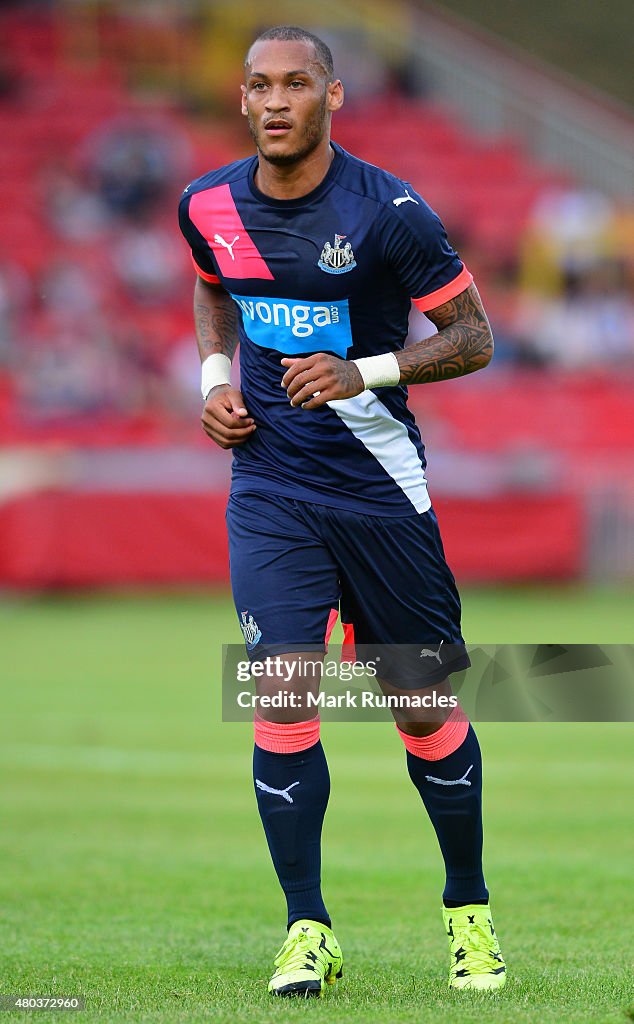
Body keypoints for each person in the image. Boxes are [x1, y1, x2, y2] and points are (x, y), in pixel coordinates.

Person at [178, 25, 506, 997]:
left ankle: (468, 910)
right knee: (281, 692)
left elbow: (475, 336)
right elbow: (213, 284)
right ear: (241, 100)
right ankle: (305, 927)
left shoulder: (387, 211)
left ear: (332, 97)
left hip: (379, 492)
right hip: (270, 487)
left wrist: (362, 369)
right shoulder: (205, 204)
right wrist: (211, 377)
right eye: (259, 86)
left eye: (296, 84)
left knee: (419, 704)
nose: (275, 101)